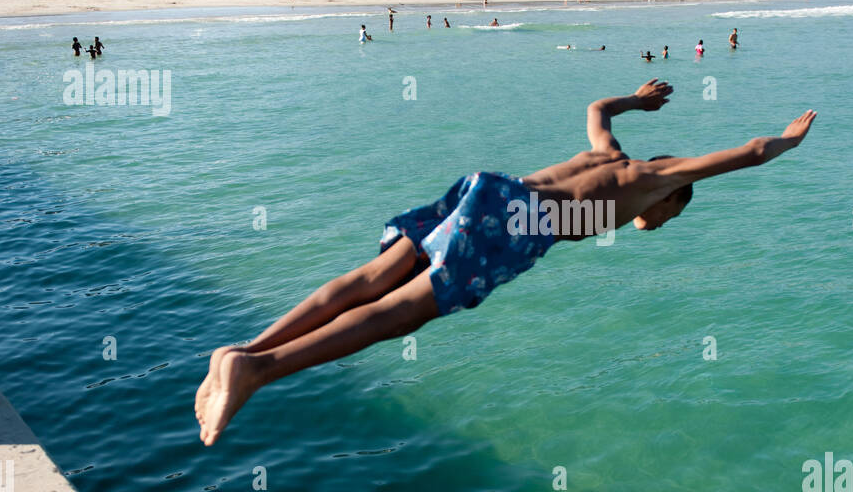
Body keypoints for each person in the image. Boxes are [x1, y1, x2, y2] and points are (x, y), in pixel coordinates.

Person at [193, 81, 818, 445]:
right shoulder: (656, 178)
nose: (654, 223)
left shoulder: (608, 153)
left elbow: (597, 110)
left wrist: (637, 98)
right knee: (400, 312)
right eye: (668, 216)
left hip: (490, 188)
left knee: (371, 278)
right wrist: (786, 141)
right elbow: (748, 153)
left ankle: (242, 352)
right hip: (519, 224)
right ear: (670, 198)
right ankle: (261, 369)